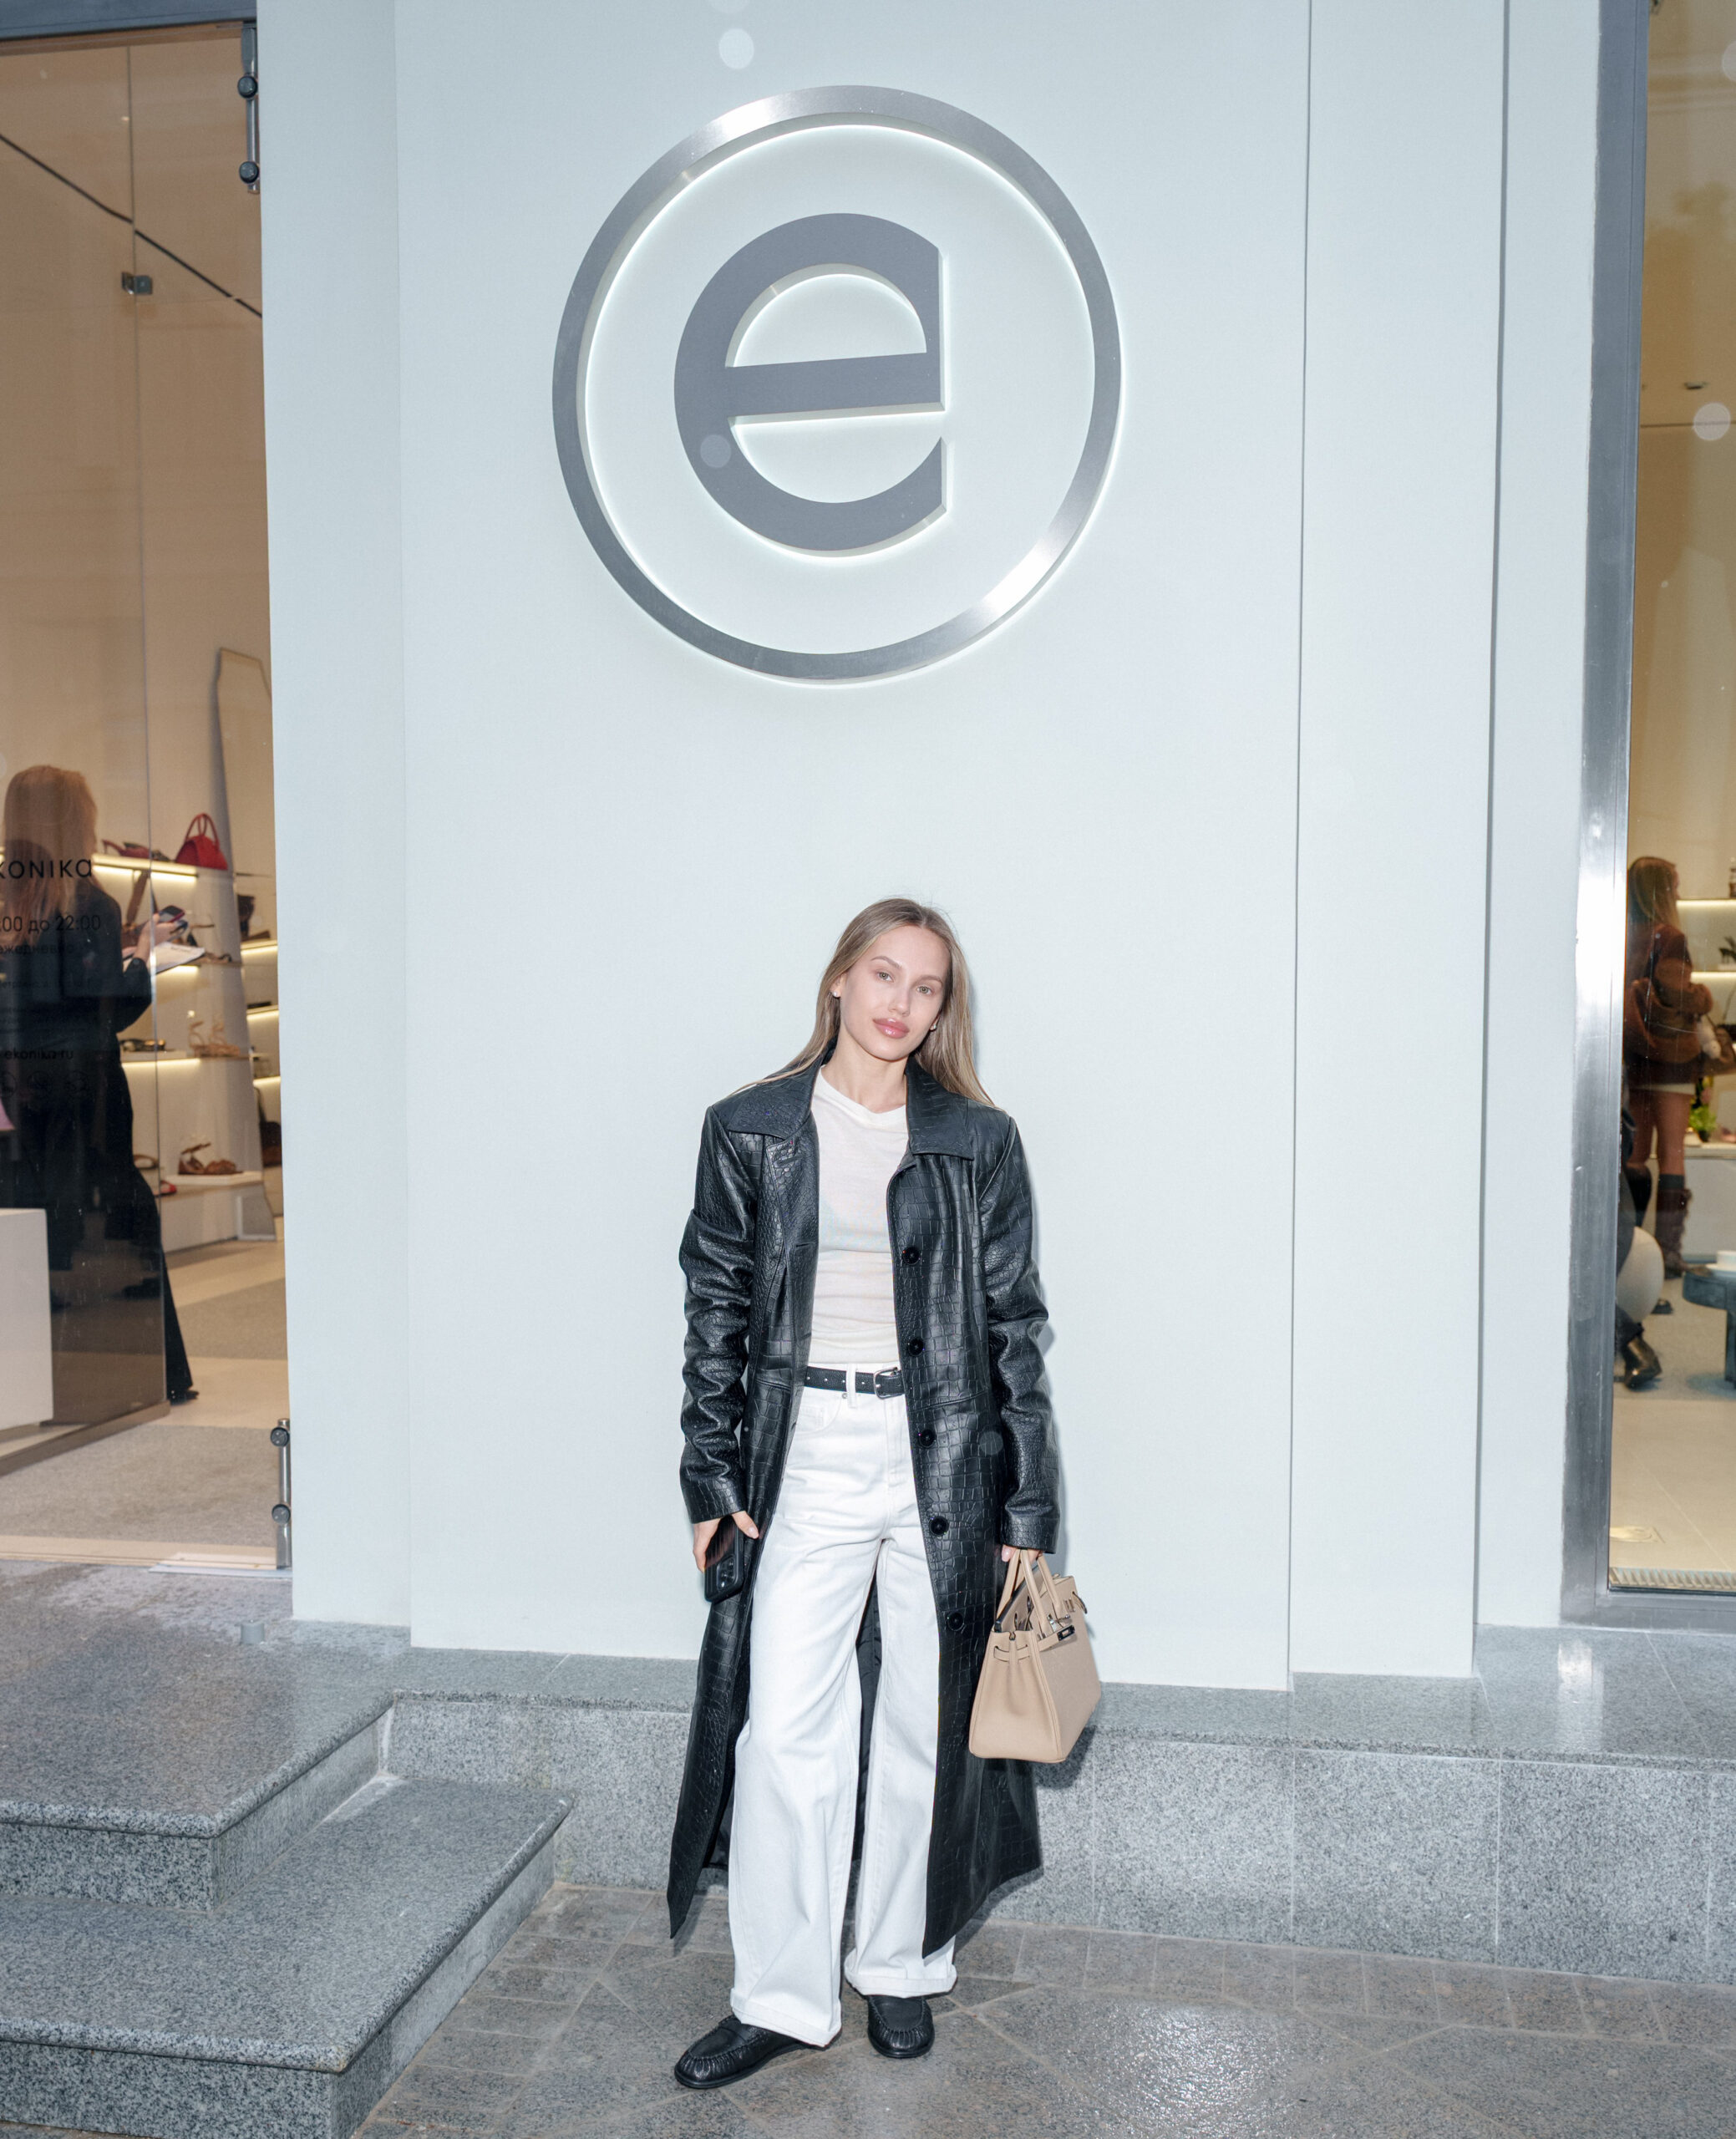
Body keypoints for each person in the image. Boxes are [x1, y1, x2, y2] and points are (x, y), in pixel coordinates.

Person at [667, 897, 1058, 2089]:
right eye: (883, 974)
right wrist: (708, 1473)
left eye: (926, 986)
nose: (900, 1002)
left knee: (927, 1726)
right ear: (838, 980)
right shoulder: (750, 1128)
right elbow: (715, 1311)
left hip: (944, 1452)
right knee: (786, 1729)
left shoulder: (976, 1142)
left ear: (942, 1010)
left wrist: (1027, 1514)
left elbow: (1014, 1331)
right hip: (805, 1449)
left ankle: (898, 1966)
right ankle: (782, 1998)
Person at [0, 765, 195, 1406]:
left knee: (32, 1221)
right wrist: (145, 960)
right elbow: (103, 1008)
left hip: (17, 1082)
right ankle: (152, 1372)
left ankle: (33, 1377)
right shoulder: (90, 904)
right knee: (118, 1212)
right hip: (85, 1086)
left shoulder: (9, 902)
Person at [1624, 856, 1712, 1278]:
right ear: (1662, 889)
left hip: (1636, 1056)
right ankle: (1667, 1254)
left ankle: (1629, 1248)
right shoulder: (1671, 937)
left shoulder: (1625, 934)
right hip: (1671, 1060)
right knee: (1673, 1152)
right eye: (1674, 884)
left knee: (1636, 1154)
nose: (1678, 891)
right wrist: (1703, 997)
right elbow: (1677, 994)